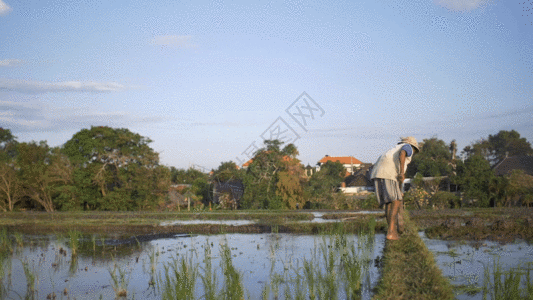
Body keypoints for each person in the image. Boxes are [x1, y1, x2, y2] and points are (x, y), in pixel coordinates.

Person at [370, 137, 420, 240]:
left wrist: (399, 189)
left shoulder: (393, 149)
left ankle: (392, 231)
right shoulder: (407, 147)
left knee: (390, 202)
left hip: (377, 173)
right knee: (396, 201)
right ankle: (391, 232)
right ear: (413, 147)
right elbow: (402, 153)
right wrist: (402, 172)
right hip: (388, 173)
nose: (413, 153)